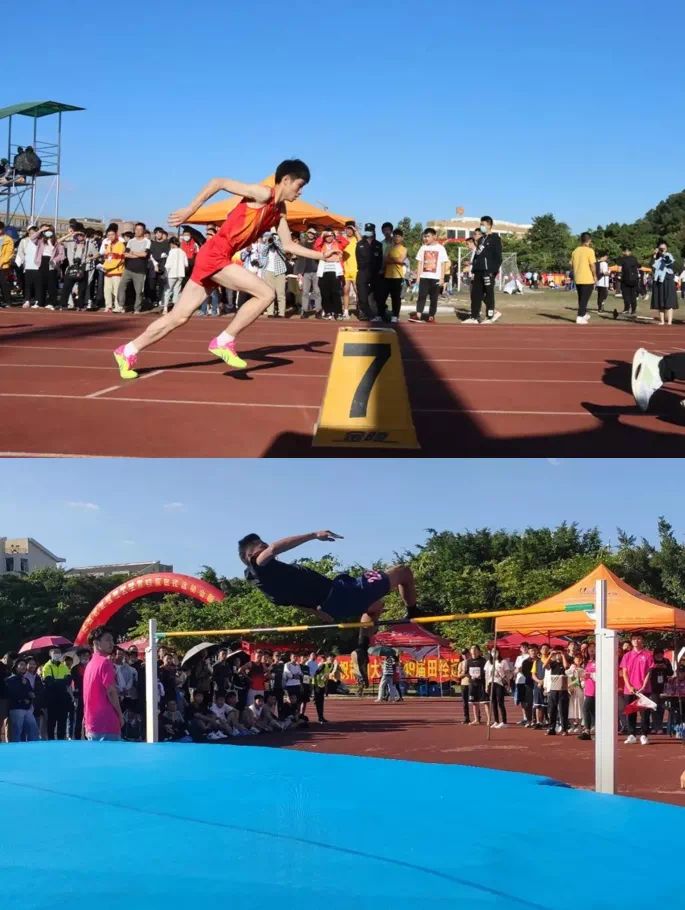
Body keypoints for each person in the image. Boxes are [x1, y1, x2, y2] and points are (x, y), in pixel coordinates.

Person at [113, 161, 340, 379]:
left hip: (216, 257)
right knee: (266, 294)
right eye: (299, 186)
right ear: (286, 180)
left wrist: (322, 255)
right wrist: (190, 210)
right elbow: (218, 182)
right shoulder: (262, 194)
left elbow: (288, 245)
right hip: (215, 255)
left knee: (178, 317)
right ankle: (224, 340)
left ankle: (128, 350)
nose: (300, 192)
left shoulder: (279, 210)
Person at [239, 531, 421, 644]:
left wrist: (318, 613)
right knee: (403, 572)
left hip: (333, 604)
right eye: (261, 547)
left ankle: (361, 648)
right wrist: (314, 535)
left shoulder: (269, 587)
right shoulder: (258, 566)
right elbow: (273, 549)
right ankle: (414, 616)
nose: (266, 550)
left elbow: (294, 603)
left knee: (375, 606)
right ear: (250, 556)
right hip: (342, 593)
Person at [83, 626, 123, 741]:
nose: (112, 643)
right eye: (108, 640)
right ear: (96, 643)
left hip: (92, 723)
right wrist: (120, 715)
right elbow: (111, 691)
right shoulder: (105, 662)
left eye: (112, 640)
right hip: (107, 722)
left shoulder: (89, 664)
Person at [464, 216, 502, 324]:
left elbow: (498, 257)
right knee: (476, 294)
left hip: (488, 271)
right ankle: (474, 317)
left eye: (483, 225)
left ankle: (490, 316)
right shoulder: (481, 239)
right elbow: (477, 255)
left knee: (488, 294)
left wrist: (493, 271)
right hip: (478, 271)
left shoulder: (495, 238)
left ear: (489, 225)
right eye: (480, 224)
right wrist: (474, 267)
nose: (481, 226)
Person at [410, 228, 449, 324]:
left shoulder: (441, 248)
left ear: (434, 237)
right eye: (424, 236)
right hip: (424, 277)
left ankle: (431, 316)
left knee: (434, 298)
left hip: (436, 278)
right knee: (421, 296)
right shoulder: (423, 248)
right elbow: (419, 263)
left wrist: (442, 278)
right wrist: (418, 278)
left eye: (428, 236)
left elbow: (443, 264)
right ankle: (418, 315)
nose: (426, 238)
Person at [620, 633, 654, 745]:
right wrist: (629, 686)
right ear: (631, 641)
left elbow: (649, 672)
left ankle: (644, 735)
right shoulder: (627, 655)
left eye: (639, 638)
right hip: (629, 690)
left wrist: (643, 686)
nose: (636, 640)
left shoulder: (648, 654)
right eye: (634, 639)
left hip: (644, 689)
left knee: (645, 713)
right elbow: (624, 673)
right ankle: (632, 735)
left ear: (642, 640)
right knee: (631, 712)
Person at [117, 222, 151, 314]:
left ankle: (137, 308)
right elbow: (126, 254)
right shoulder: (131, 241)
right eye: (136, 229)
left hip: (140, 271)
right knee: (121, 287)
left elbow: (144, 254)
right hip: (128, 269)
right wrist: (138, 254)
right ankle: (121, 306)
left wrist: (133, 252)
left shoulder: (147, 241)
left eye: (140, 229)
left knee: (139, 291)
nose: (138, 231)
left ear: (143, 231)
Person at [355, 223, 384, 322]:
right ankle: (369, 315)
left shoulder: (378, 245)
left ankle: (376, 315)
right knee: (362, 297)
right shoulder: (360, 244)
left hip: (375, 274)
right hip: (363, 272)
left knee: (376, 297)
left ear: (374, 231)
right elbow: (359, 260)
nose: (369, 232)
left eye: (370, 230)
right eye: (367, 230)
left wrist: (378, 271)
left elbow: (380, 260)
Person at [41, 647, 73, 739]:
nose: (57, 654)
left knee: (62, 721)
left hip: (62, 698)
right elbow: (49, 682)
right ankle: (51, 740)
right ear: (50, 654)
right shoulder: (47, 666)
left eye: (59, 652)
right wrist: (62, 681)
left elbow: (69, 680)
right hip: (52, 698)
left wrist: (56, 681)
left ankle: (61, 740)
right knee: (51, 721)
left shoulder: (63, 666)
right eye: (55, 652)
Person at [6, 658, 40, 742]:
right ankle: (16, 748)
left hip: (27, 708)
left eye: (25, 665)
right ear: (16, 667)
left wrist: (31, 695)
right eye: (21, 665)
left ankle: (33, 747)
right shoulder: (10, 680)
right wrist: (24, 696)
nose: (24, 667)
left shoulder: (26, 680)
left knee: (33, 729)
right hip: (16, 708)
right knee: (17, 731)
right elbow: (13, 693)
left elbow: (30, 692)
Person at [316, 229, 346, 319]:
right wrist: (322, 235)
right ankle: (328, 312)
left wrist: (337, 235)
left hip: (335, 272)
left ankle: (338, 312)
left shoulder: (337, 244)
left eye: (331, 236)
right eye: (327, 236)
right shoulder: (321, 245)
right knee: (325, 293)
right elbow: (316, 247)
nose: (329, 238)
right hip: (323, 272)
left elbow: (346, 243)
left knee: (336, 293)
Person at [33, 225, 64, 310]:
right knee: (40, 283)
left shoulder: (57, 243)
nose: (48, 232)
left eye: (50, 230)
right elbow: (32, 238)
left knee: (51, 283)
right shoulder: (41, 241)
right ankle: (40, 302)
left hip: (51, 263)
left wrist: (55, 260)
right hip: (42, 261)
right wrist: (40, 230)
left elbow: (61, 255)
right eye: (46, 231)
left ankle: (51, 302)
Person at [295, 226, 323, 319]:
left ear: (315, 235)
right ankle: (304, 311)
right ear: (307, 234)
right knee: (305, 292)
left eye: (313, 233)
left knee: (317, 292)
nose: (311, 234)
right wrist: (299, 272)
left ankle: (318, 311)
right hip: (305, 272)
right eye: (309, 233)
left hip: (316, 271)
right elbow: (299, 259)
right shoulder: (302, 244)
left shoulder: (317, 244)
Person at [261, 231, 289, 317]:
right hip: (269, 272)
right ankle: (270, 312)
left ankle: (281, 313)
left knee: (281, 293)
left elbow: (284, 252)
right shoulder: (267, 246)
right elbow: (263, 252)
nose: (272, 239)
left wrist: (276, 242)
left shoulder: (280, 246)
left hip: (280, 271)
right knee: (270, 293)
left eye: (273, 238)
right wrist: (269, 242)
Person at [382, 229, 408, 323]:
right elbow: (385, 260)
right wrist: (395, 260)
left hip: (398, 276)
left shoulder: (404, 249)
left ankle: (395, 315)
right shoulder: (388, 247)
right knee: (382, 297)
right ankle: (381, 314)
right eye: (395, 236)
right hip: (387, 275)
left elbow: (401, 260)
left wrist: (391, 259)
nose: (397, 238)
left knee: (396, 298)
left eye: (399, 236)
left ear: (402, 238)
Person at [570, 232, 596, 324]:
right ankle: (580, 316)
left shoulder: (575, 251)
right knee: (584, 299)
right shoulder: (590, 251)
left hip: (578, 277)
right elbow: (592, 265)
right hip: (587, 278)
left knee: (581, 298)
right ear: (589, 240)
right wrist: (595, 276)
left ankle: (583, 314)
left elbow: (571, 264)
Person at [650, 240, 677, 325]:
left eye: (663, 248)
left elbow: (668, 262)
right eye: (660, 248)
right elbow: (652, 266)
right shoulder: (657, 258)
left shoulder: (669, 255)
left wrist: (664, 253)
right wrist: (654, 255)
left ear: (666, 248)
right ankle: (662, 321)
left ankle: (669, 321)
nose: (662, 250)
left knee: (669, 300)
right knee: (660, 300)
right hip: (658, 280)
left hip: (668, 280)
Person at [485, 648, 513, 728]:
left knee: (500, 702)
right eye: (492, 652)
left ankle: (504, 721)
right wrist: (486, 685)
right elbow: (486, 675)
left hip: (499, 683)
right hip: (491, 683)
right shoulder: (489, 662)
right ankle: (496, 721)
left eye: (496, 651)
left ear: (498, 652)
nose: (494, 653)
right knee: (493, 703)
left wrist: (508, 684)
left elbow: (507, 674)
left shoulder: (503, 662)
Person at [544, 649, 570, 735]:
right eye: (557, 654)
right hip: (553, 689)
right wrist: (550, 655)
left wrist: (563, 655)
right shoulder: (553, 663)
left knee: (563, 710)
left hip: (563, 690)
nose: (558, 655)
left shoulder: (566, 662)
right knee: (552, 710)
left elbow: (566, 667)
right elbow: (545, 666)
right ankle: (552, 728)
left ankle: (564, 729)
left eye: (559, 654)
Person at [648, 648, 673, 735]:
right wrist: (654, 667)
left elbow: (671, 673)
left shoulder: (666, 661)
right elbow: (647, 671)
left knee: (661, 707)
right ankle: (654, 727)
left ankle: (659, 727)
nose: (659, 655)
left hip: (663, 687)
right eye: (657, 654)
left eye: (661, 654)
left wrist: (665, 667)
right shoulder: (651, 661)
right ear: (654, 655)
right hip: (653, 687)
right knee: (654, 707)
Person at [341, 222, 360, 319]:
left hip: (355, 270)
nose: (349, 231)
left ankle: (360, 310)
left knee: (358, 291)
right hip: (345, 270)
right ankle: (345, 311)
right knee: (346, 291)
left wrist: (356, 231)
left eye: (351, 229)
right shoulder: (342, 240)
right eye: (347, 229)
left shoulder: (356, 239)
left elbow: (361, 241)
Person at [619, 245, 640, 316]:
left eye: (624, 251)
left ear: (626, 252)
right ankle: (633, 310)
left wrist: (619, 276)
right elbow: (639, 266)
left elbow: (619, 269)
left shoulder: (622, 259)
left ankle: (626, 309)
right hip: (634, 279)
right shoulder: (634, 258)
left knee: (626, 295)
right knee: (633, 295)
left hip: (625, 279)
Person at [0, 221, 15, 308]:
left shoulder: (8, 239)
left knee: (4, 284)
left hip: (3, 266)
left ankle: (8, 301)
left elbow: (10, 253)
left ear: (3, 229)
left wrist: (1, 262)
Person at [458, 649, 471, 724]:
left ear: (469, 654)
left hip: (471, 684)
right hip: (463, 684)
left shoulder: (472, 662)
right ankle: (466, 718)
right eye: (463, 654)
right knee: (464, 702)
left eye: (466, 654)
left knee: (474, 701)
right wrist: (464, 674)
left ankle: (477, 717)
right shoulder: (461, 664)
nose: (465, 656)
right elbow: (458, 675)